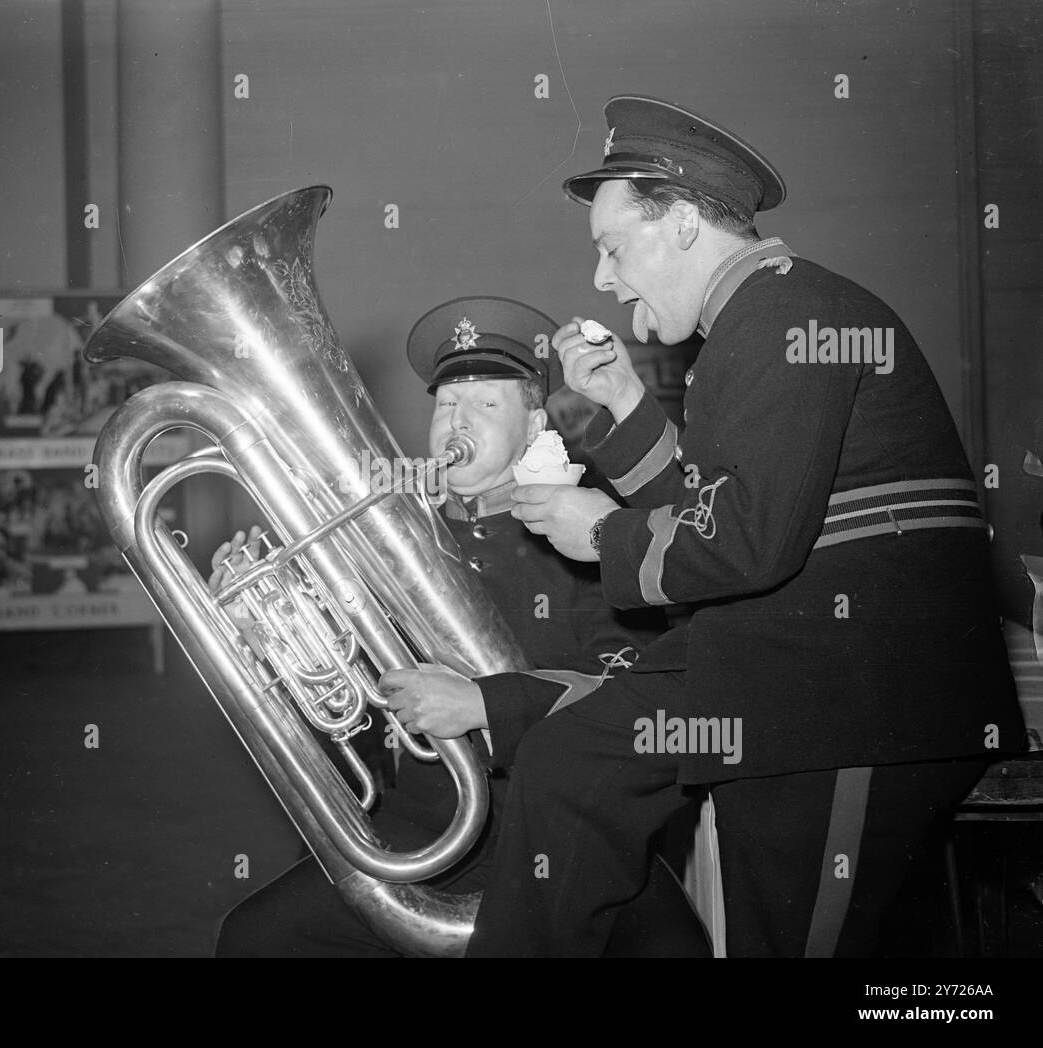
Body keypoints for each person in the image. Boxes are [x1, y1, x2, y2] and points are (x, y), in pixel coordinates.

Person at [386, 95, 1026, 957]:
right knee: (569, 767)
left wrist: (601, 532)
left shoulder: (781, 316)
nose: (606, 281)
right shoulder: (758, 319)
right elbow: (709, 509)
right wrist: (621, 402)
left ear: (684, 224)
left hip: (847, 705)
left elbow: (749, 539)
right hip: (787, 670)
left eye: (614, 249)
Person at [213, 296, 704, 957]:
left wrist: (484, 703)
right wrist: (265, 630)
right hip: (420, 844)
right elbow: (339, 714)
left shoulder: (589, 532)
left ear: (533, 424)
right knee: (254, 941)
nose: (456, 421)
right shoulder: (371, 542)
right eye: (446, 403)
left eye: (484, 404)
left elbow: (630, 697)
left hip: (564, 840)